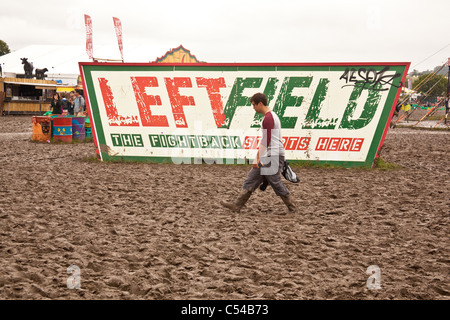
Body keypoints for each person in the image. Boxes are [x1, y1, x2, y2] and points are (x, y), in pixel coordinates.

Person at [220, 92, 297, 214]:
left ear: (260, 103)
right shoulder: (271, 116)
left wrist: (256, 159)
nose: (253, 108)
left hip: (273, 155)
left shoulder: (268, 118)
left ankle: (292, 208)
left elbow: (266, 141)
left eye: (254, 105)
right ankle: (237, 205)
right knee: (251, 179)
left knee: (276, 182)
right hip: (271, 155)